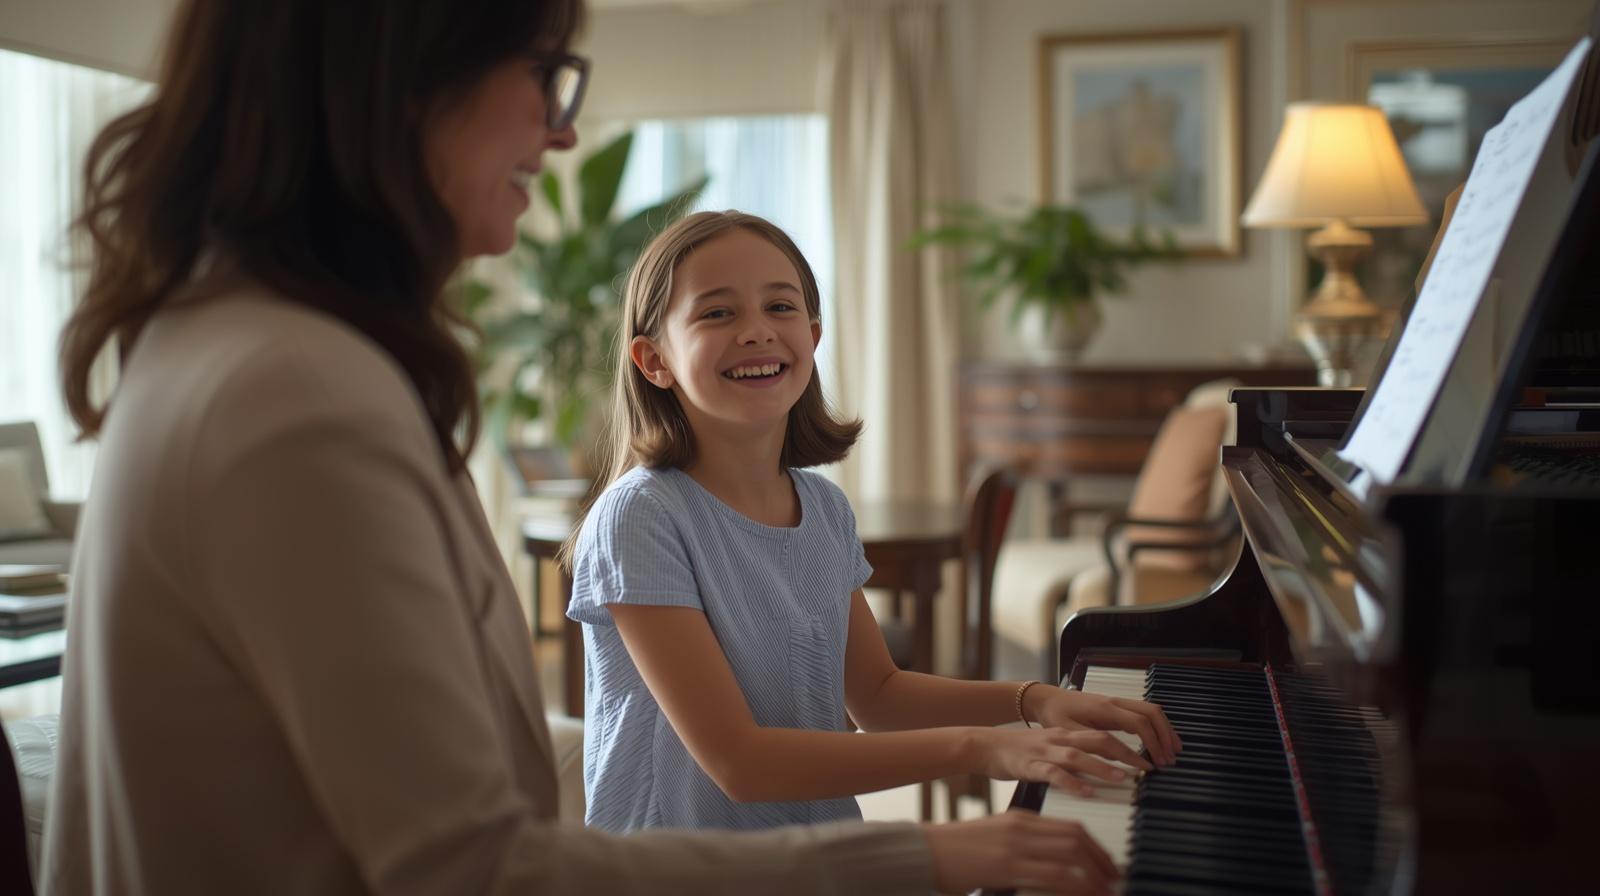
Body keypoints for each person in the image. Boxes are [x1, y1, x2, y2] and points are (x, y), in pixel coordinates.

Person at [39, 1, 1124, 893]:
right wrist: (922, 845)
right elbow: (473, 864)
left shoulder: (250, 349)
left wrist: (1023, 704)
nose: (561, 134)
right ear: (400, 78)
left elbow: (868, 688)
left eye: (785, 306)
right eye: (545, 75)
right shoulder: (294, 397)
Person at [565, 210, 1181, 837]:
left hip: (816, 856)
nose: (756, 332)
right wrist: (979, 748)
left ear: (813, 333)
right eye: (717, 313)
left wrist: (1033, 700)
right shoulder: (640, 515)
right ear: (653, 360)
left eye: (780, 308)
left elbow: (878, 696)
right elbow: (739, 763)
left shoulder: (825, 509)